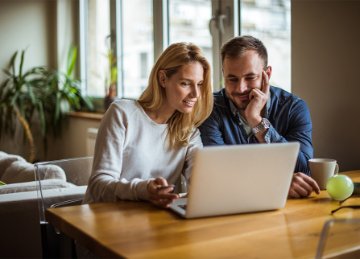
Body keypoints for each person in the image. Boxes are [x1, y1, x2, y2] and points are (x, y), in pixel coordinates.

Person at [84, 42, 213, 207]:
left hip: (151, 221)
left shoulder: (190, 133)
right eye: (185, 83)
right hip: (104, 218)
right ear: (163, 79)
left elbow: (201, 183)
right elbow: (98, 186)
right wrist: (143, 190)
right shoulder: (122, 113)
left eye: (200, 84)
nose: (196, 94)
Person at [199, 35, 320, 198]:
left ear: (267, 74)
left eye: (250, 78)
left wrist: (256, 120)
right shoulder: (210, 108)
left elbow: (304, 169)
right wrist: (278, 182)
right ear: (223, 74)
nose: (241, 88)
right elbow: (217, 172)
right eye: (232, 79)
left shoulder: (294, 108)